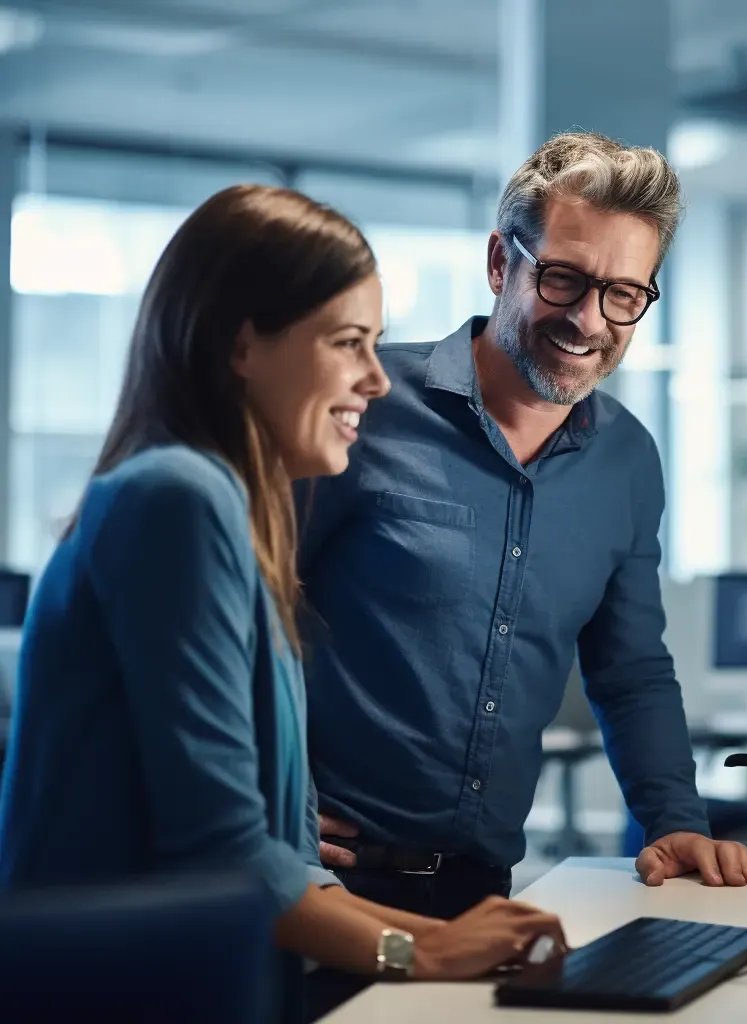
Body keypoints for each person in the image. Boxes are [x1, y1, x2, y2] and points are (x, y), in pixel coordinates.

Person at [0, 185, 565, 1022]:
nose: (376, 381)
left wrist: (443, 936)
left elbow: (276, 858)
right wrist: (429, 949)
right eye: (347, 344)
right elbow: (225, 856)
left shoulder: (234, 509)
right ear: (242, 345)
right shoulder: (176, 498)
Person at [297, 131, 747, 919]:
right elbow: (242, 607)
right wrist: (259, 793)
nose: (590, 319)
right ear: (499, 263)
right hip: (321, 883)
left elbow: (630, 670)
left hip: (482, 892)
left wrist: (676, 822)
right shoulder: (364, 406)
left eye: (625, 293)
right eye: (563, 278)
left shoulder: (626, 457)